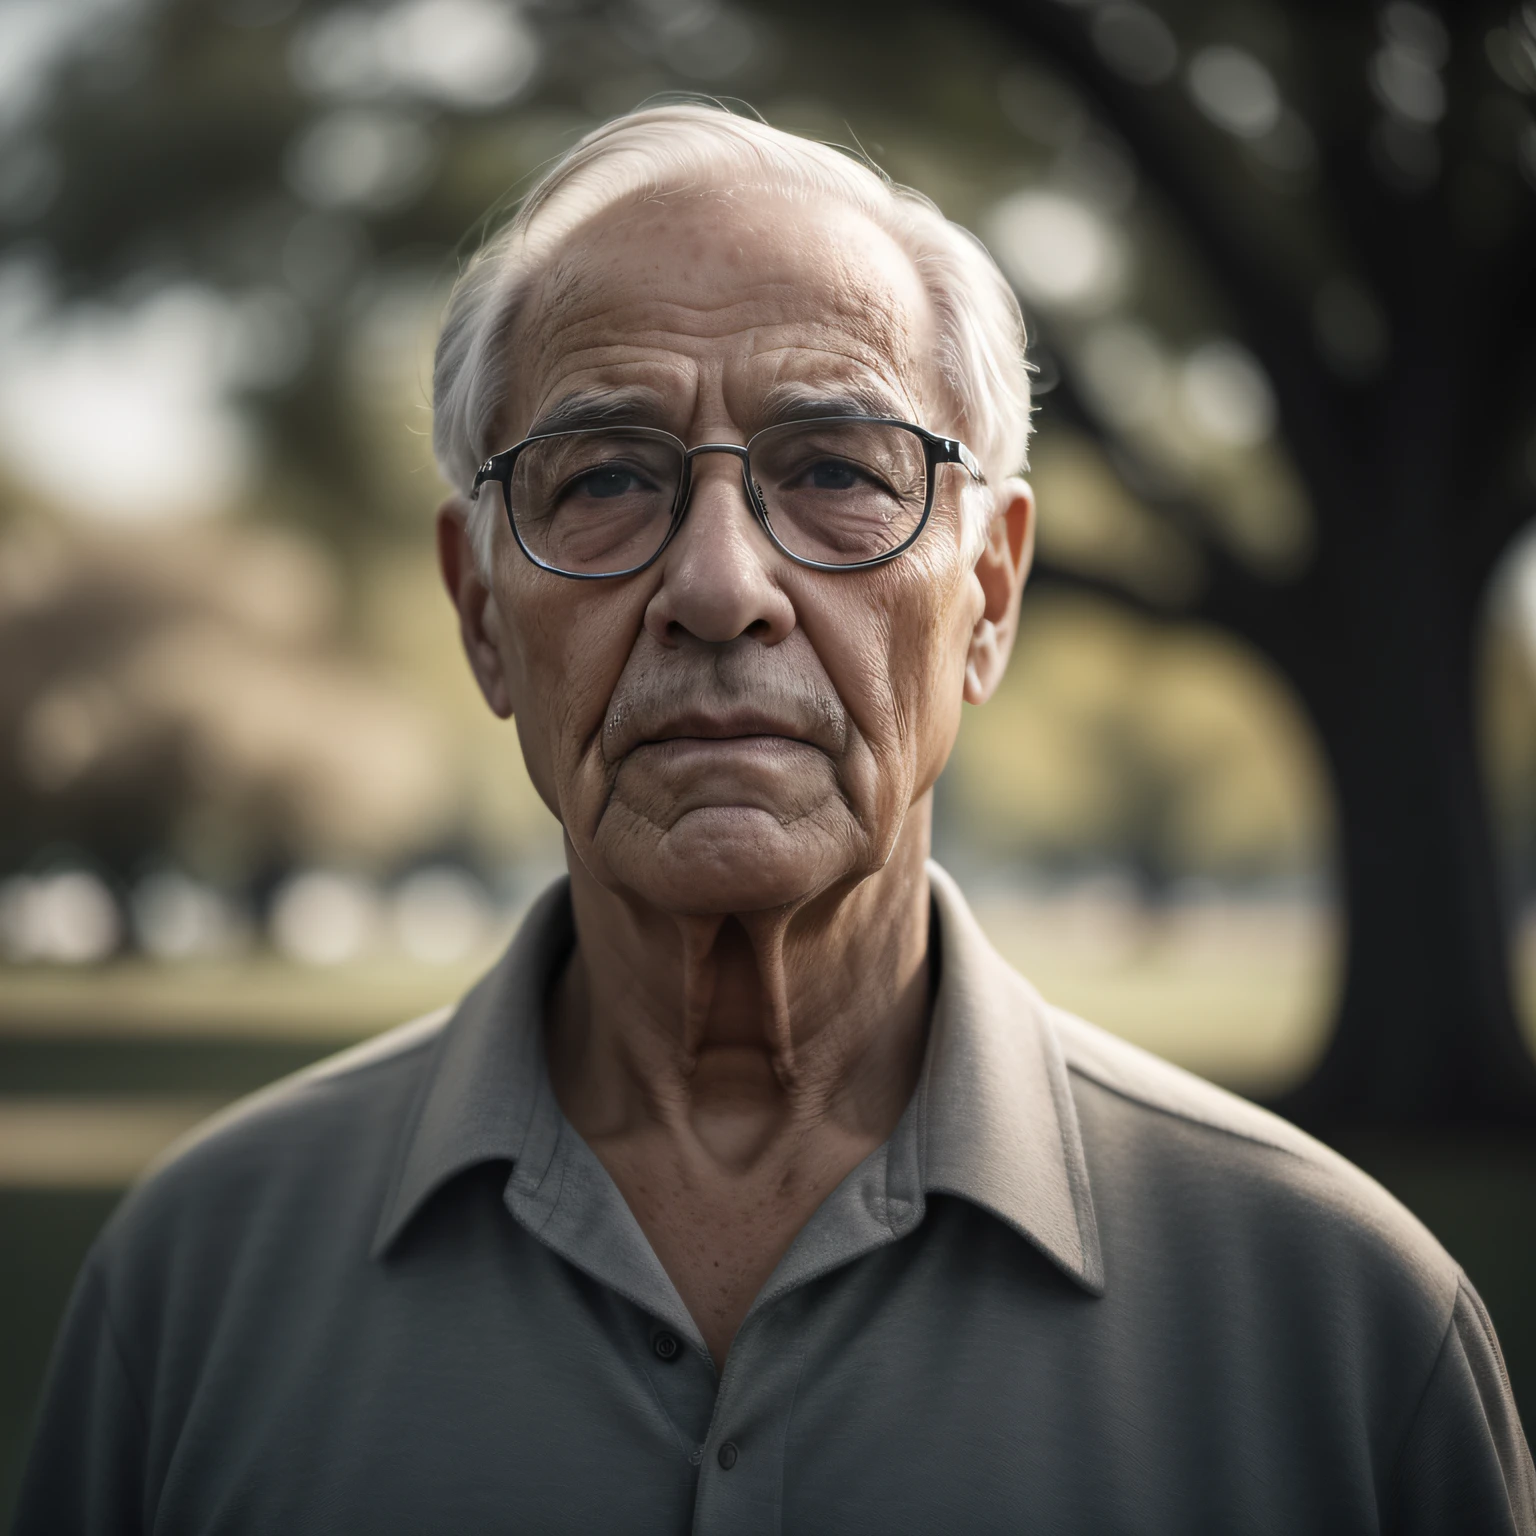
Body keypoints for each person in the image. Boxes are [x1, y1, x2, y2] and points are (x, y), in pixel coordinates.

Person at [15, 102, 1534, 1535]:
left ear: (988, 598)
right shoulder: (192, 1289)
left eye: (835, 471)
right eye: (605, 475)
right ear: (481, 607)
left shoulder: (1342, 1330)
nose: (723, 588)